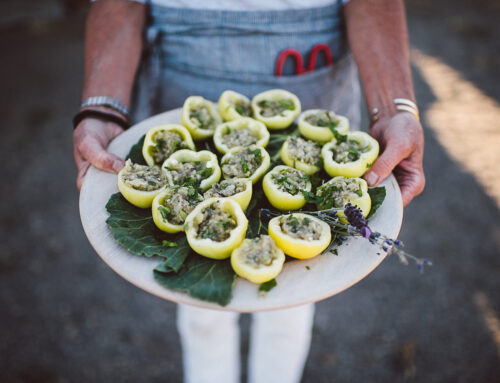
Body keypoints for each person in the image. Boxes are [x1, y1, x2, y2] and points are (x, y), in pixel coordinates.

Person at [73, 1, 425, 382]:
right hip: (182, 55)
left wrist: (395, 108)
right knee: (200, 306)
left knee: (291, 302)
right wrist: (102, 107)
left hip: (311, 59)